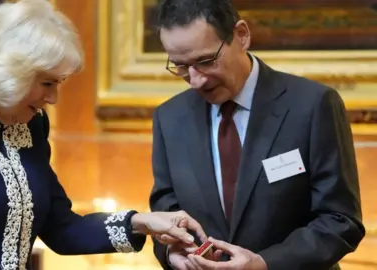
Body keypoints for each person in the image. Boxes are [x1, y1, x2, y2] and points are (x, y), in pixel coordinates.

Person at [0, 0, 207, 269]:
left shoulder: (31, 124)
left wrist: (143, 223)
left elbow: (61, 227)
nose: (54, 98)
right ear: (10, 72)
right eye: (47, 83)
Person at [149, 0, 366, 269]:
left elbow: (340, 220)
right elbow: (165, 216)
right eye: (180, 66)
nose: (196, 80)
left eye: (205, 61)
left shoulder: (312, 105)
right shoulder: (169, 118)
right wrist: (172, 255)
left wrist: (265, 263)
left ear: (241, 36)